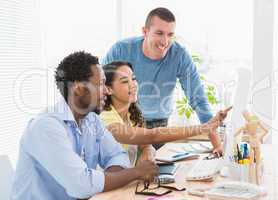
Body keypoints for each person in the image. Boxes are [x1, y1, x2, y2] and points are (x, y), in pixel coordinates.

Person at [10, 52, 159, 200]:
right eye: (101, 84)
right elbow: (81, 186)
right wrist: (137, 172)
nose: (107, 90)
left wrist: (106, 180)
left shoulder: (92, 120)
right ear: (79, 88)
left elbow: (117, 155)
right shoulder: (46, 127)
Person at [102, 7, 223, 151]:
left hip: (156, 123)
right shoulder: (121, 50)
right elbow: (100, 85)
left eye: (170, 34)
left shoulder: (179, 55)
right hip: (124, 120)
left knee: (154, 169)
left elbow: (198, 99)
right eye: (159, 33)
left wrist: (218, 146)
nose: (165, 41)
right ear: (145, 31)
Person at [100, 61, 231, 165]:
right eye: (124, 81)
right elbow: (152, 136)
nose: (133, 85)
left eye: (133, 79)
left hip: (125, 184)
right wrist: (204, 128)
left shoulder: (130, 115)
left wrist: (147, 151)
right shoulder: (106, 119)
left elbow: (145, 143)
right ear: (109, 89)